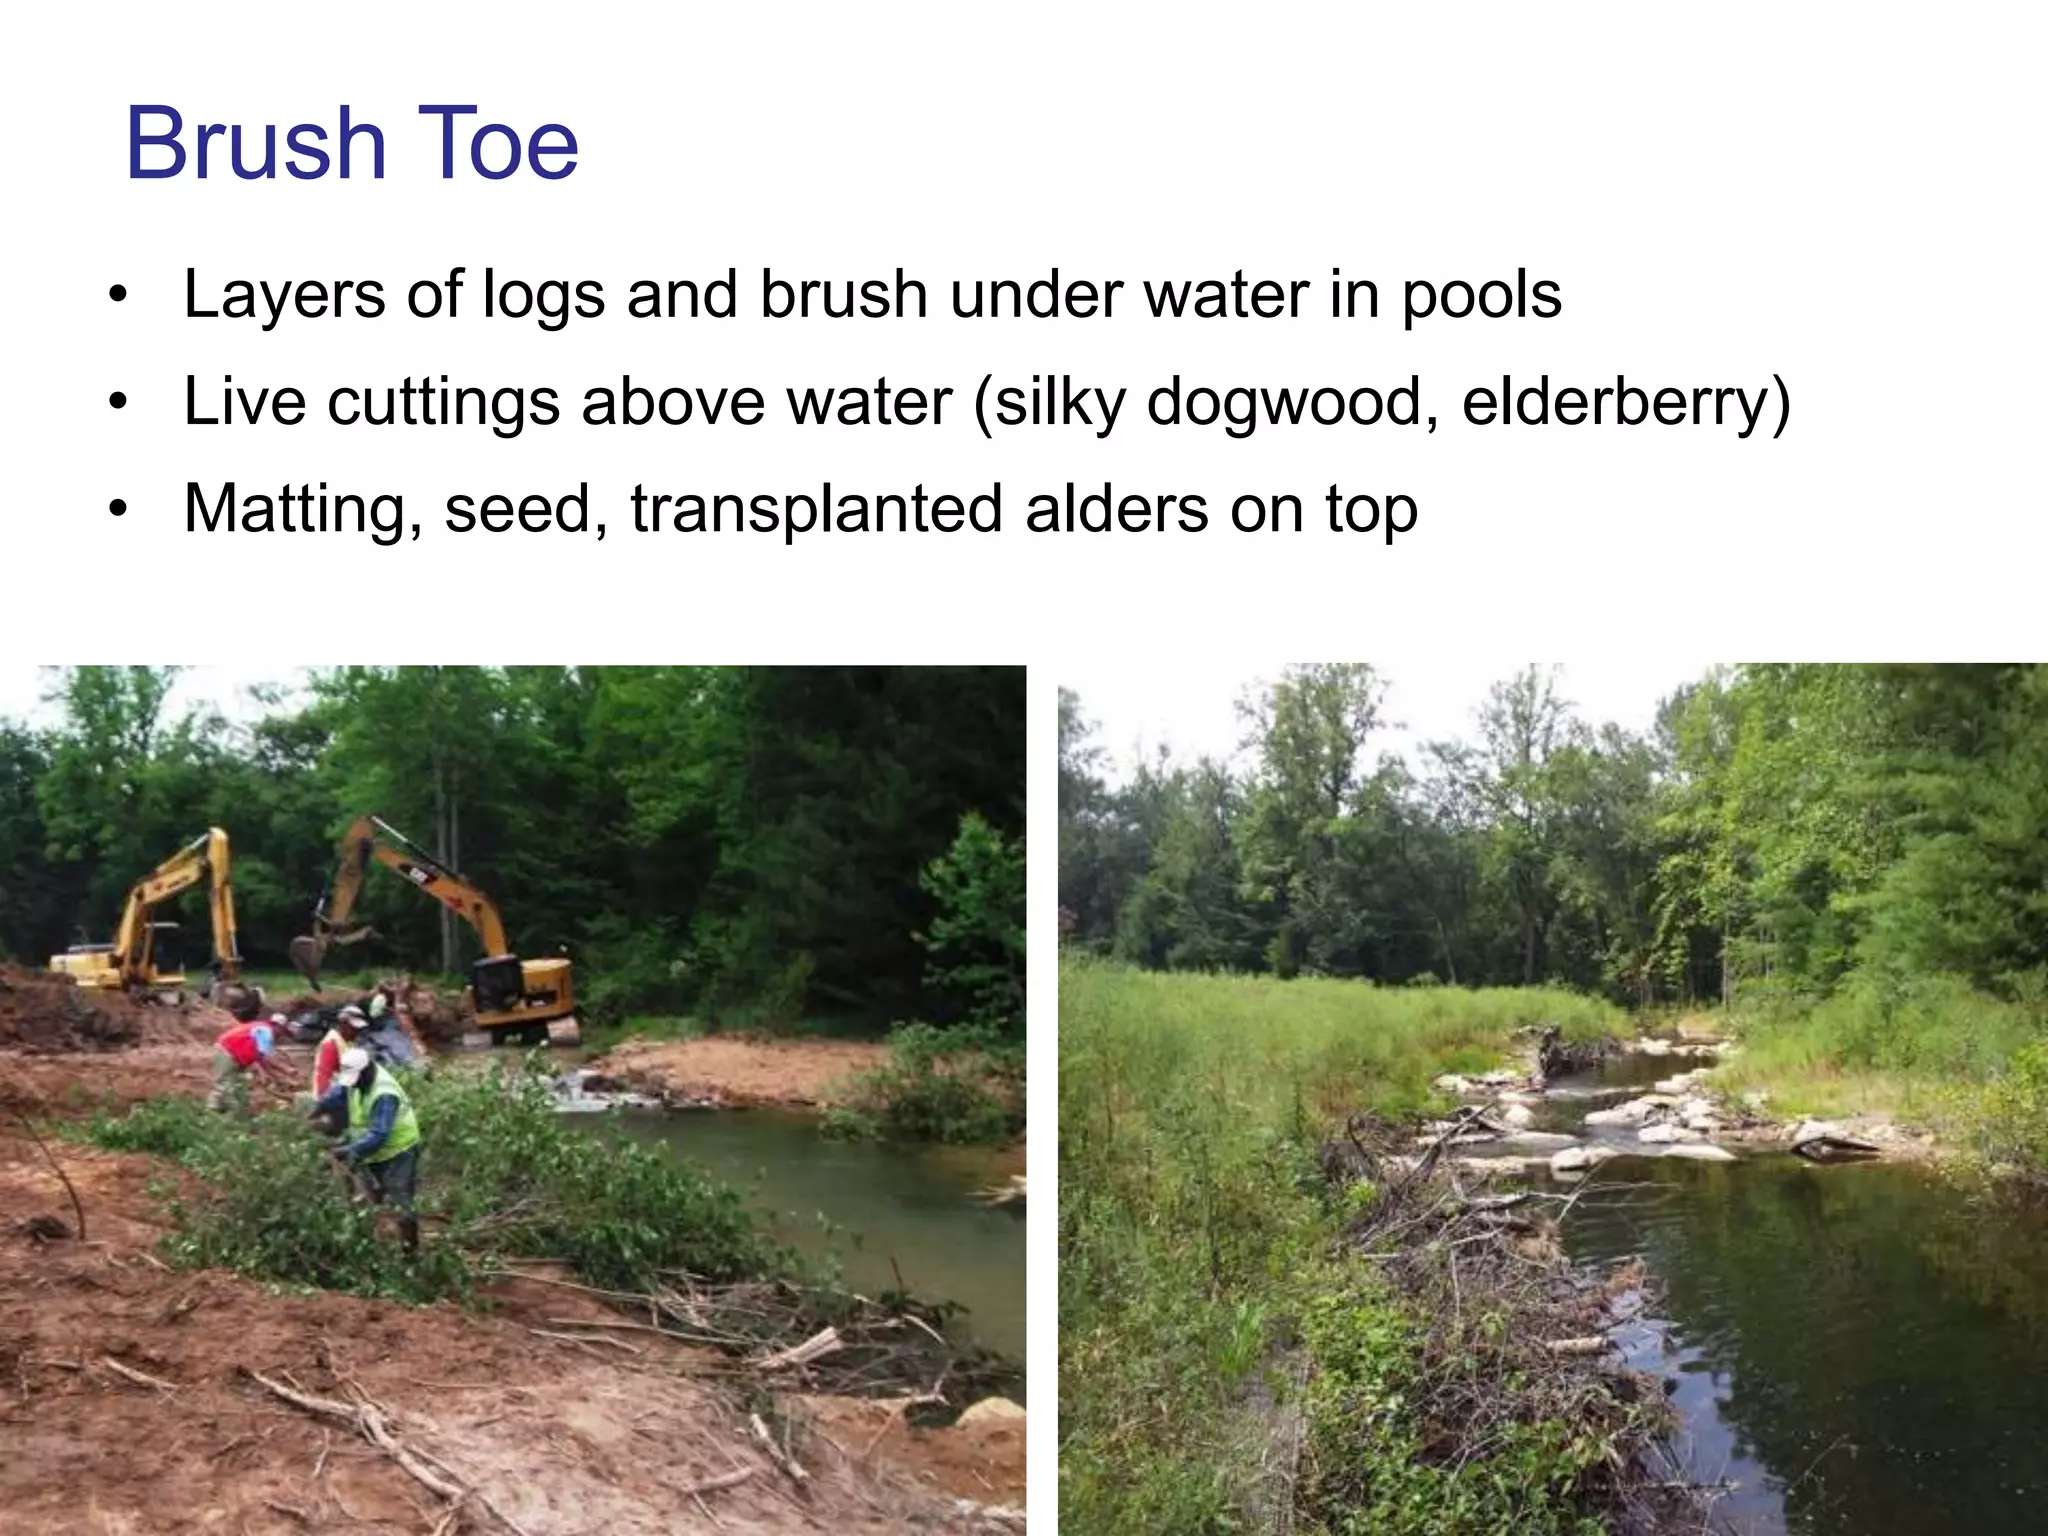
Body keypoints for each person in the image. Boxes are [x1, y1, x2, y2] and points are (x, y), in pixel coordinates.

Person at [311, 1046, 422, 1256]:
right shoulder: (356, 1079)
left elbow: (379, 1136)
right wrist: (317, 1109)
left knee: (400, 1199)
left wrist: (344, 1151)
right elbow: (339, 1092)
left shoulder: (384, 1093)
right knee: (368, 1195)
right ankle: (372, 1245)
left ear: (367, 1071)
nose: (352, 1084)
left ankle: (410, 1251)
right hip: (368, 1147)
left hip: (398, 1150)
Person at [208, 1016, 292, 1115]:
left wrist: (265, 1073)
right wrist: (283, 1071)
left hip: (234, 1054)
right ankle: (212, 1112)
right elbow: (264, 1058)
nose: (281, 1036)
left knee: (235, 1084)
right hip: (228, 1052)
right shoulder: (266, 1032)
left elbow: (257, 1057)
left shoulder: (260, 1028)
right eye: (283, 1032)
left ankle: (224, 1111)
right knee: (224, 1083)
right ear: (278, 1027)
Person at [311, 1005, 367, 1098]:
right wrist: (324, 1100)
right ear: (343, 1024)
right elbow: (323, 1074)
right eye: (352, 1029)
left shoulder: (346, 1042)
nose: (355, 1033)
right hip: (330, 1096)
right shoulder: (330, 1044)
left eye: (357, 1030)